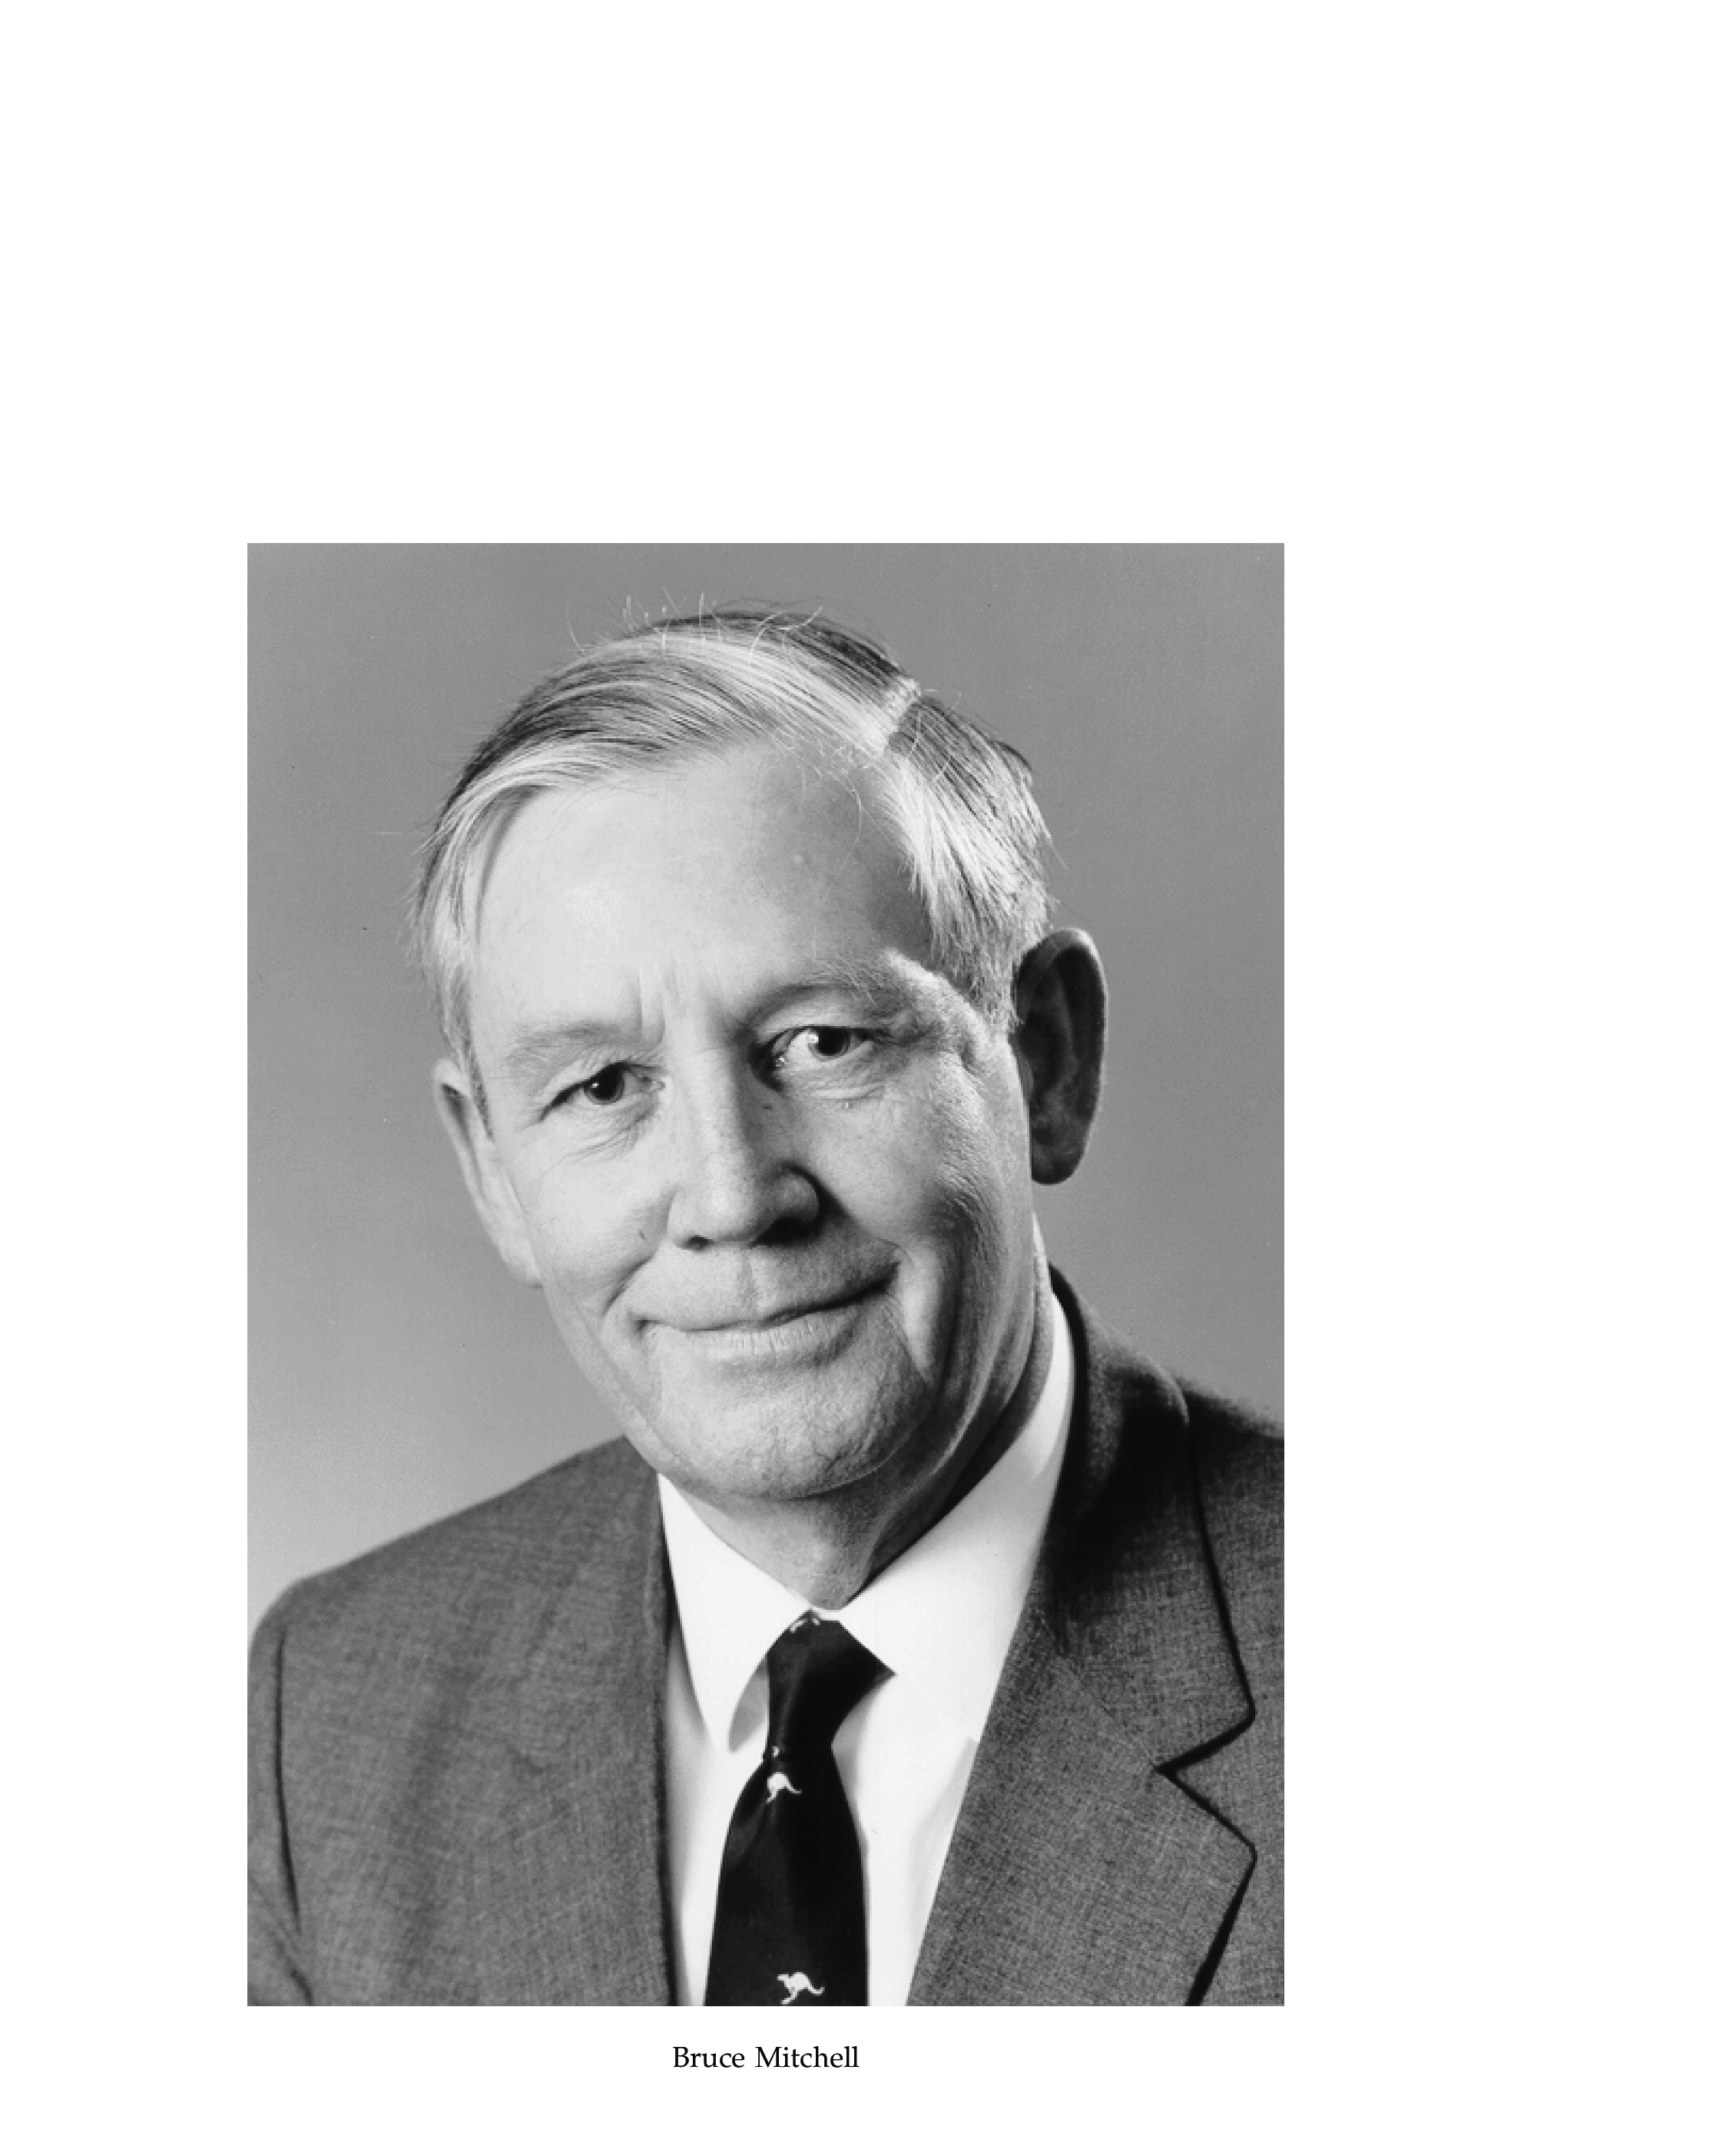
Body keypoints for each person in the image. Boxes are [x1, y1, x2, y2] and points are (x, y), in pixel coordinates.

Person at [248, 607, 1281, 2006]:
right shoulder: (330, 1717)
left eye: (823, 1042)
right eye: (604, 1088)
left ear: (1045, 1061)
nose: (731, 1197)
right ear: (491, 1168)